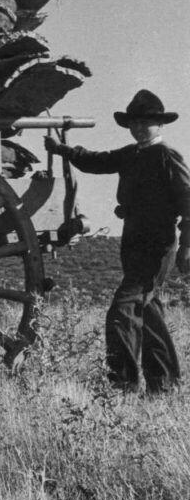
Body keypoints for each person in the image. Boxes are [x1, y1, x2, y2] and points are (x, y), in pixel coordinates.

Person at [44, 89, 190, 394]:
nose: (138, 128)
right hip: (133, 240)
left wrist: (187, 245)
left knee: (121, 310)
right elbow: (97, 161)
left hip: (157, 244)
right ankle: (164, 385)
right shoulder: (131, 153)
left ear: (160, 125)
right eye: (134, 123)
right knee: (148, 311)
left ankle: (122, 385)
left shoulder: (166, 156)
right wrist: (64, 151)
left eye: (145, 123)